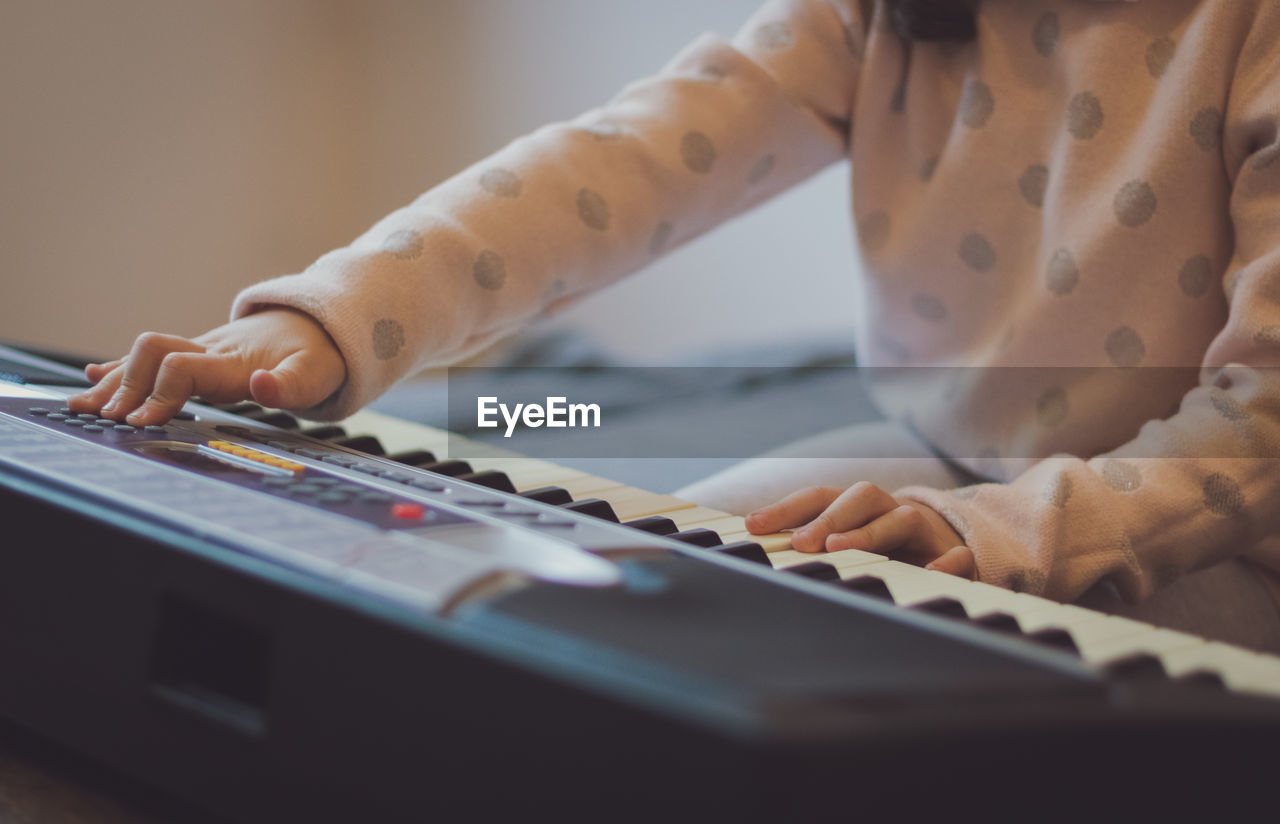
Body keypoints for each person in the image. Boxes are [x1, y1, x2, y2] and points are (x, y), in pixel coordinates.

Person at [70, 0, 1280, 650]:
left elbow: (1258, 429)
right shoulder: (877, 10)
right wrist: (341, 318)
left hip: (1221, 537)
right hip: (965, 457)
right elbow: (628, 158)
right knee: (636, 610)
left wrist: (1009, 531)